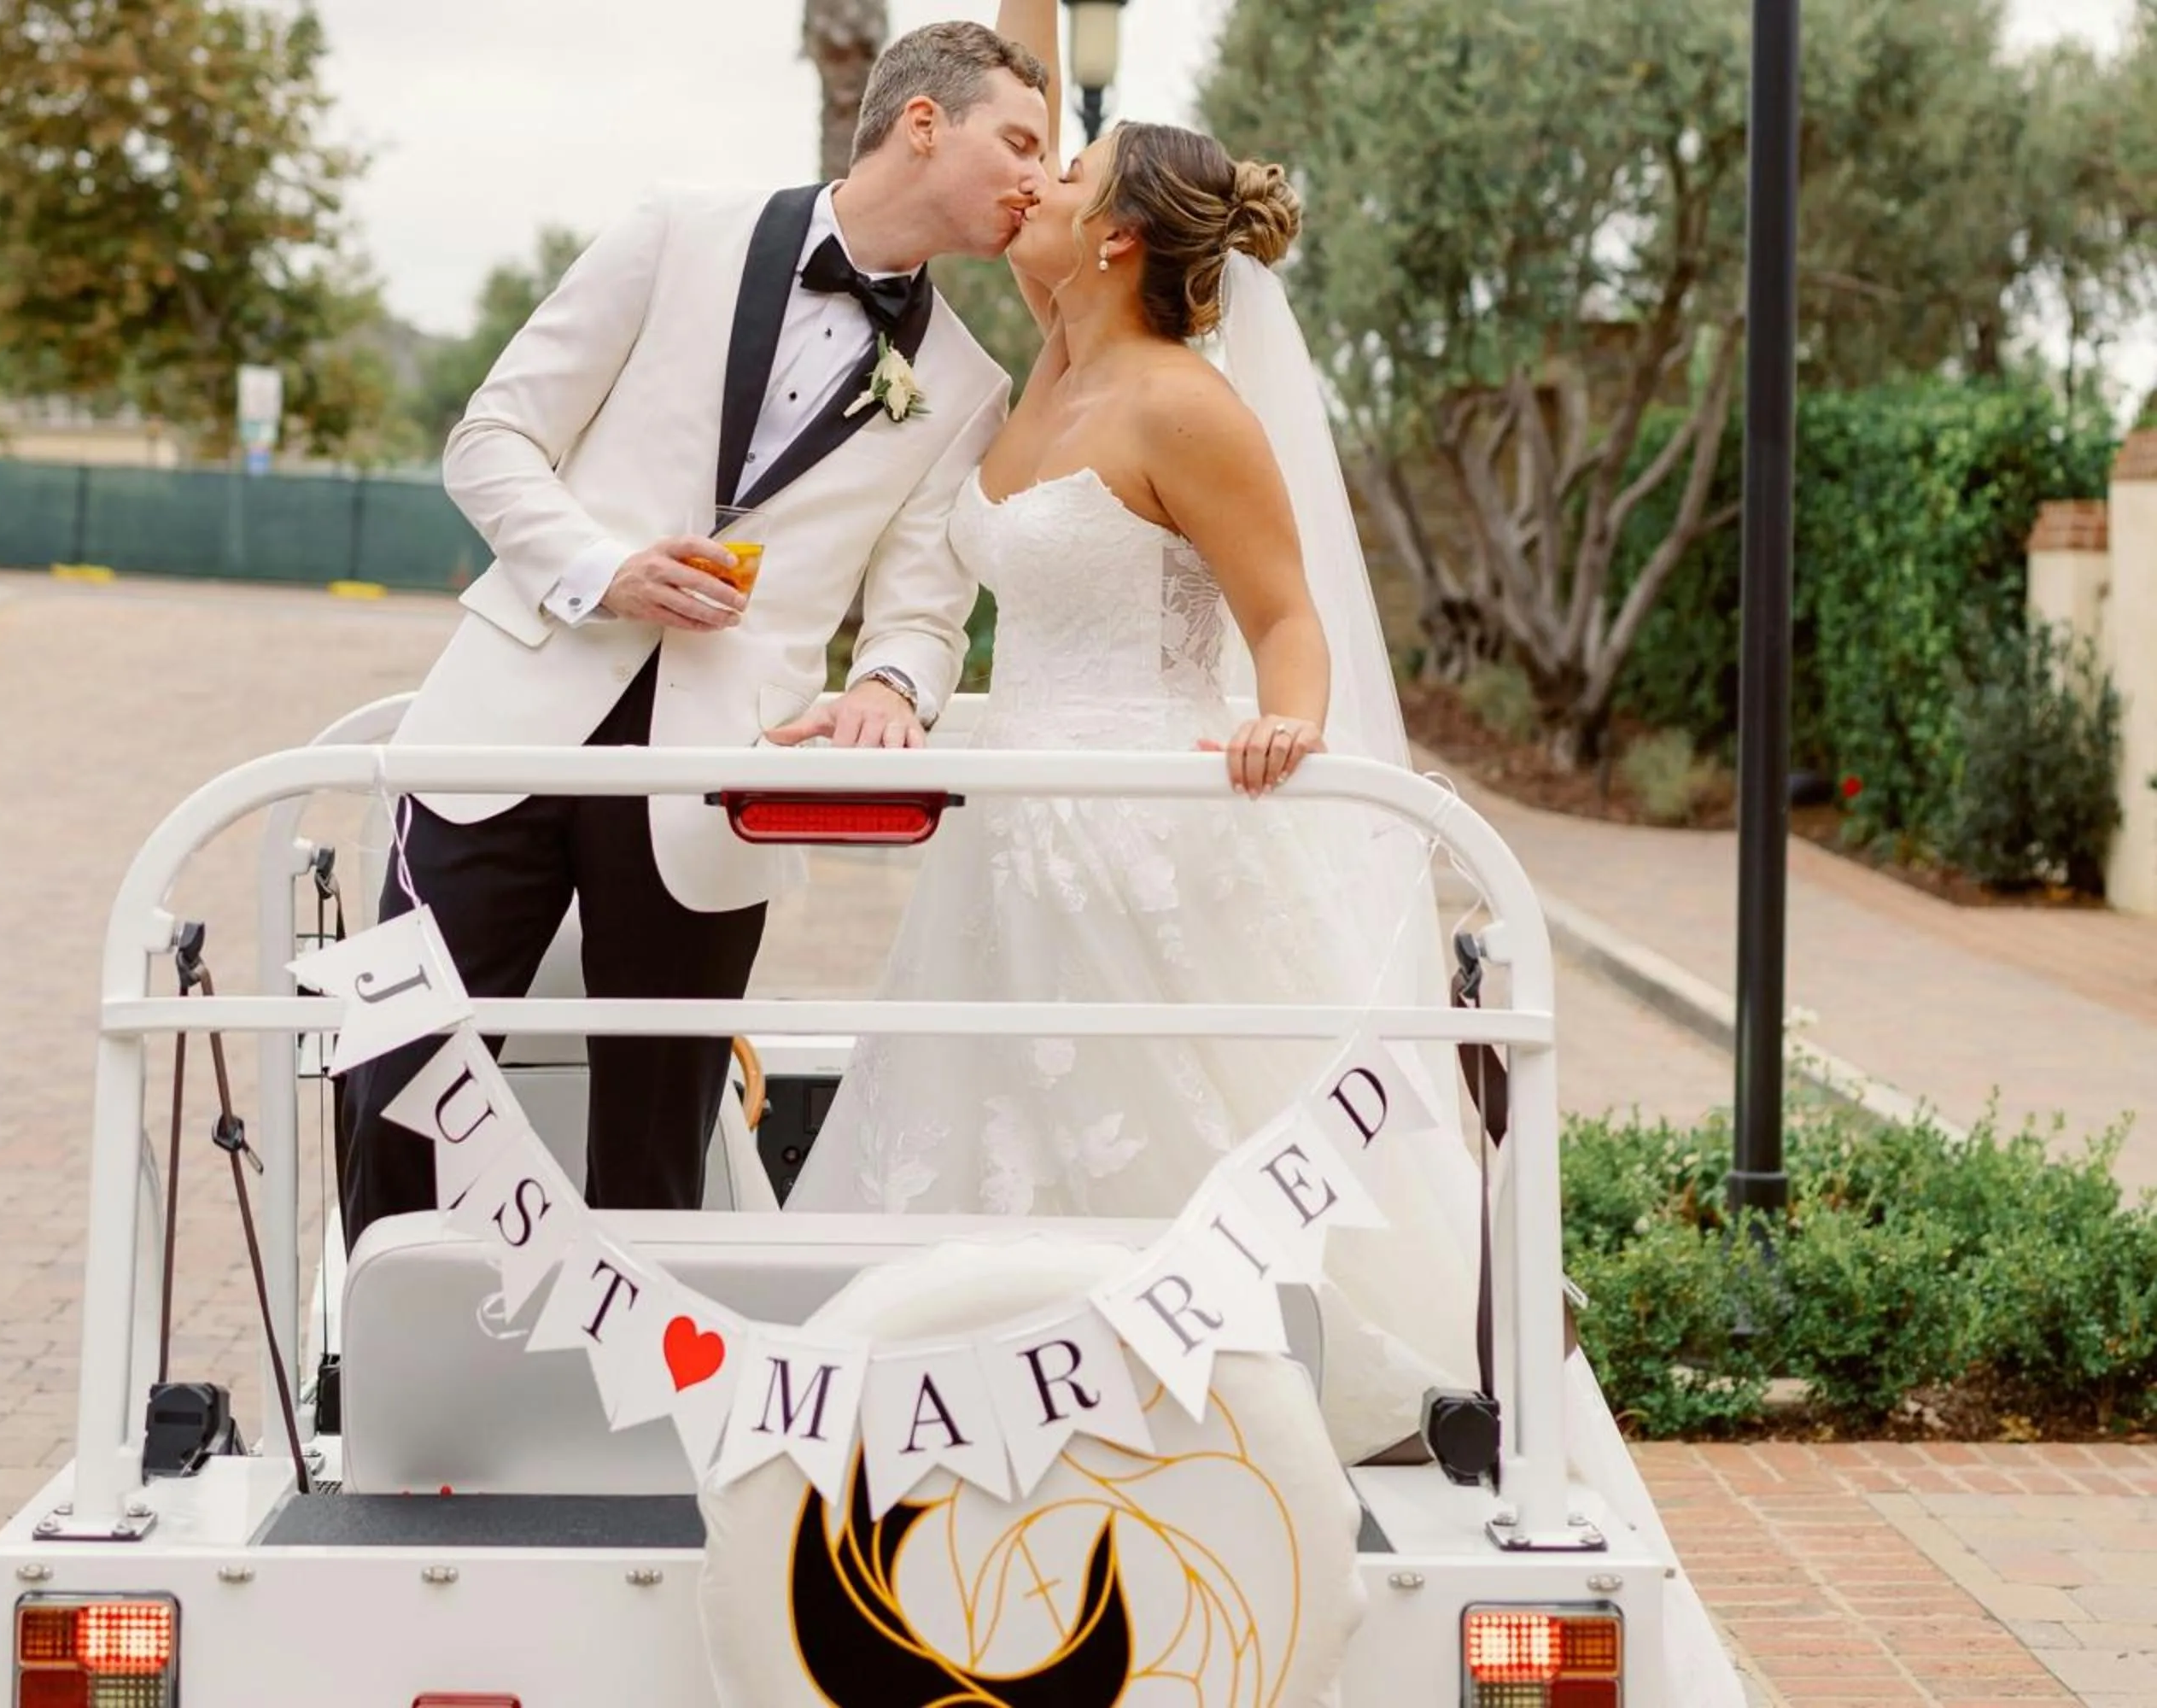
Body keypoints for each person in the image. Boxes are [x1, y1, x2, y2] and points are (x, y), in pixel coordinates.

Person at [789, 9, 1752, 1699]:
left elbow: (1290, 623)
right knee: (984, 1129)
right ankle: (974, 1463)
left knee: (1172, 1158)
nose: (1034, 178)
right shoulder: (1036, 381)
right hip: (1014, 842)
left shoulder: (1186, 405)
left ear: (1120, 239)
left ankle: (1183, 1472)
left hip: (1153, 842)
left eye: (1062, 166)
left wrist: (1288, 724)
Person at [336, 23, 1054, 1248]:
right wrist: (601, 569)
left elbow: (923, 611)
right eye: (1021, 140)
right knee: (396, 1071)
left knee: (659, 1132)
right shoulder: (675, 230)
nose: (1038, 177)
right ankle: (382, 1390)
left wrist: (890, 687)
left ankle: (636, 1423)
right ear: (925, 124)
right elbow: (491, 441)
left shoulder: (971, 384)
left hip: (721, 780)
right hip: (507, 728)